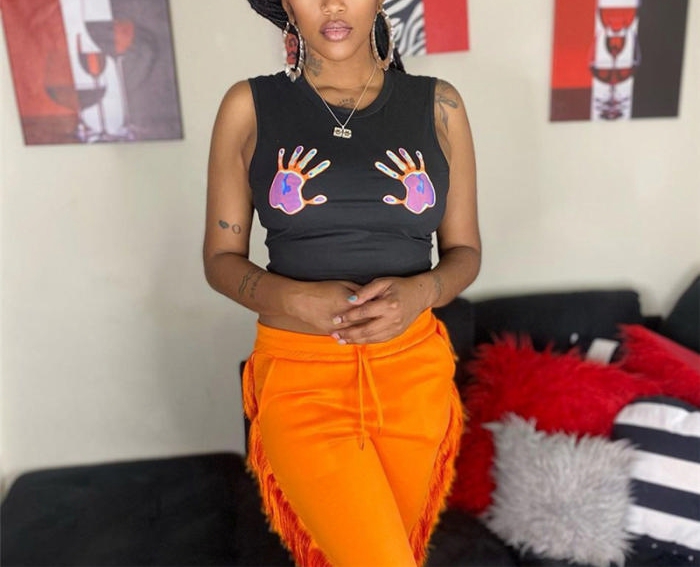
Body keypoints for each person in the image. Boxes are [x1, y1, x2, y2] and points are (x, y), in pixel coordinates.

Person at [204, 1, 480, 565]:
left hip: (414, 379)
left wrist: (420, 293)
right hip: (302, 382)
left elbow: (465, 253)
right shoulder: (248, 106)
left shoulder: (440, 105)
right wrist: (292, 297)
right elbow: (220, 259)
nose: (333, 4)